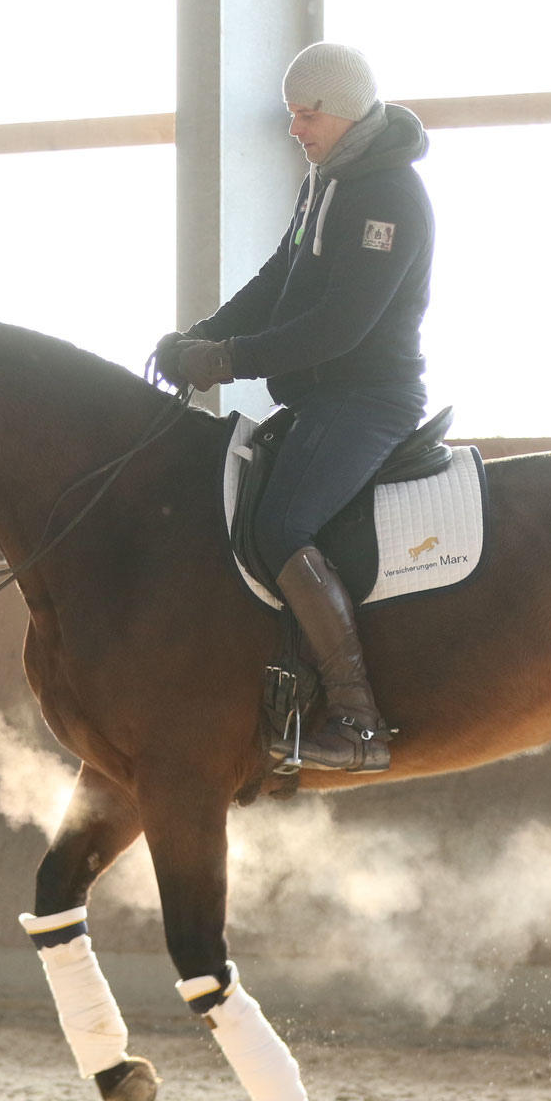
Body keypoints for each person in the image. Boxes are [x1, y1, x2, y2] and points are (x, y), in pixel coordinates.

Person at [157, 42, 433, 774]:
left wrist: (230, 360)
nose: (294, 129)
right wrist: (204, 334)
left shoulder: (389, 198)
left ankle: (358, 719)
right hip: (321, 397)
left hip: (370, 399)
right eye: (292, 114)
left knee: (282, 522)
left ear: (342, 113)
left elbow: (341, 324)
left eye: (307, 115)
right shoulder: (327, 181)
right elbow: (279, 276)